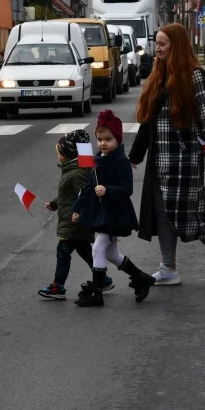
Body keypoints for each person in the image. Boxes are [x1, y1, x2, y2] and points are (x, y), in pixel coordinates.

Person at [129, 23, 205, 285]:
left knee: (187, 213)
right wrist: (135, 154)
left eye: (163, 44)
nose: (158, 49)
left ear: (177, 45)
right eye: (157, 43)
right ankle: (168, 268)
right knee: (163, 212)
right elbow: (148, 120)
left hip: (185, 159)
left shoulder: (194, 75)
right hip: (159, 158)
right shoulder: (158, 74)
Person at [73, 110, 156, 307]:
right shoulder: (97, 159)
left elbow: (127, 189)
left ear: (117, 139)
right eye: (100, 139)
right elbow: (87, 187)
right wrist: (78, 209)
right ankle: (142, 278)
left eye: (108, 139)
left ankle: (97, 293)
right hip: (101, 214)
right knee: (110, 255)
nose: (103, 143)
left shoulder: (121, 161)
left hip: (115, 215)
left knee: (98, 250)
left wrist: (107, 190)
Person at [37, 129, 114, 300]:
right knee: (85, 251)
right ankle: (104, 280)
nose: (58, 155)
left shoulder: (78, 172)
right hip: (74, 221)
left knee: (63, 251)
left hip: (74, 221)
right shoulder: (73, 170)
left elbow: (84, 195)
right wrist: (55, 203)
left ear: (67, 154)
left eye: (59, 152)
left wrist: (79, 212)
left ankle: (58, 287)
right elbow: (68, 195)